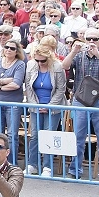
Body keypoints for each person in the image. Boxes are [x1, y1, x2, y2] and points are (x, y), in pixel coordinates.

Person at [66, 29, 99, 180]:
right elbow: (65, 65)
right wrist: (73, 51)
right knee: (78, 138)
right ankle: (75, 170)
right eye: (88, 38)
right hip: (81, 100)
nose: (91, 41)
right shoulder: (80, 56)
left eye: (95, 39)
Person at [23, 39, 67, 177]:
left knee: (49, 135)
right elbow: (28, 88)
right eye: (37, 60)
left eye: (43, 61)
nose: (40, 63)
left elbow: (61, 89)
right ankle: (32, 164)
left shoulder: (57, 67)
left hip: (53, 107)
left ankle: (47, 166)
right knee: (35, 135)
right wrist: (35, 106)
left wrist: (50, 106)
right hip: (36, 105)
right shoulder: (31, 65)